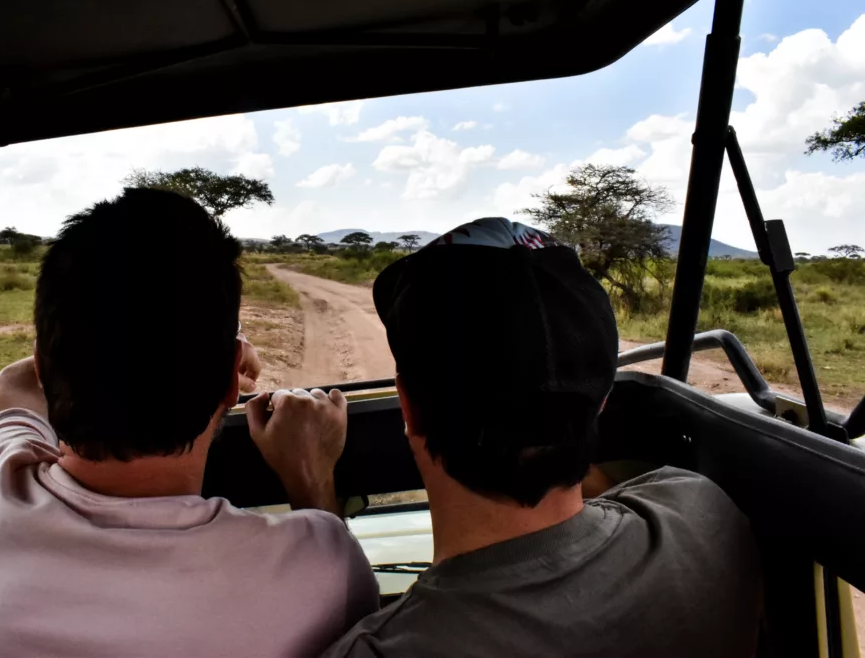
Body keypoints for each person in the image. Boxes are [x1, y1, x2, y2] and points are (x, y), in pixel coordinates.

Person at [0, 189, 378, 658]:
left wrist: (102, 340)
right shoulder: (320, 567)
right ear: (230, 382)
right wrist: (310, 475)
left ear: (46, 366)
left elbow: (10, 384)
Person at [323, 218, 762, 658]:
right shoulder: (698, 511)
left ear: (408, 405)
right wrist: (559, 415)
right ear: (603, 400)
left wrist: (314, 487)